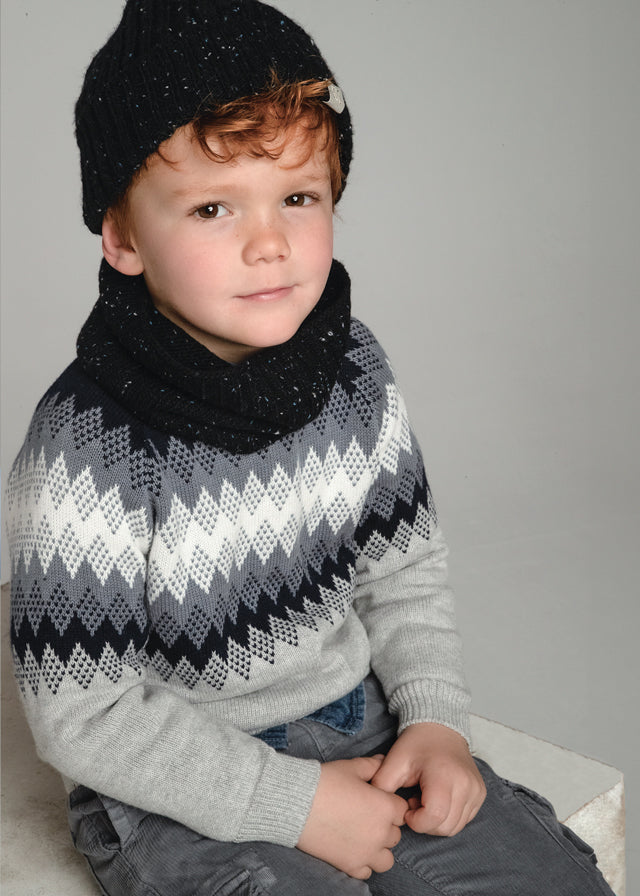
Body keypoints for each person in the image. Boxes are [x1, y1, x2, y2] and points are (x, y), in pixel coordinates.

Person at [5, 2, 615, 894]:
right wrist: (293, 805)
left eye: (298, 197)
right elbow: (82, 710)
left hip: (361, 724)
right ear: (124, 236)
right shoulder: (86, 447)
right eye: (212, 207)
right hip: (170, 783)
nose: (269, 243)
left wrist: (436, 720)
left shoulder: (353, 372)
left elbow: (402, 573)